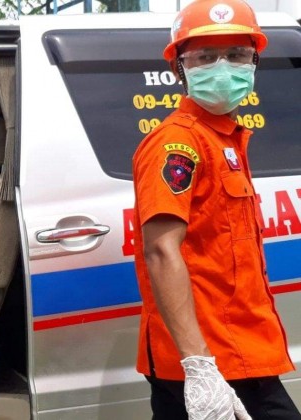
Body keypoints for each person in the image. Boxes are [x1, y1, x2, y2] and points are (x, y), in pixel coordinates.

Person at [132, 1, 300, 419]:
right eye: (205, 57)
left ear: (255, 63)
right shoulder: (177, 143)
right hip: (213, 357)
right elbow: (161, 250)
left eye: (237, 54)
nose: (223, 68)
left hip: (237, 346)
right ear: (179, 70)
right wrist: (199, 367)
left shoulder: (225, 139)